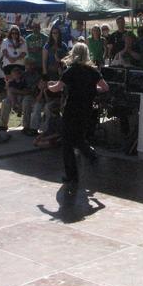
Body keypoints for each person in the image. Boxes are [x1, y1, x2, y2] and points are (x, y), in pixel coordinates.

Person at [47, 43, 109, 190]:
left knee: (68, 143)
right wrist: (92, 89)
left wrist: (48, 85)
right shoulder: (93, 72)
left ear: (73, 53)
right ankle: (91, 155)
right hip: (86, 110)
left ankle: (72, 176)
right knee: (79, 137)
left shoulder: (70, 71)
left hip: (71, 110)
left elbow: (57, 88)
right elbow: (105, 87)